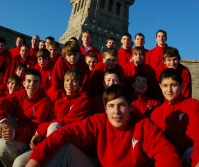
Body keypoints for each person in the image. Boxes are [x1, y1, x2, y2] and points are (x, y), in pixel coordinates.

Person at [26, 84, 182, 167]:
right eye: (111, 106)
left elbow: (166, 154)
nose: (117, 112)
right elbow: (64, 133)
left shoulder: (143, 125)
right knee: (62, 150)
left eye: (121, 105)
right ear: (105, 109)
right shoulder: (98, 121)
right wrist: (35, 160)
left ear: (130, 107)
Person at [13, 69, 90, 167]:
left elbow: (69, 122)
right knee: (19, 163)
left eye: (74, 81)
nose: (69, 84)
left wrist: (40, 131)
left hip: (69, 143)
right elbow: (48, 121)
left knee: (55, 126)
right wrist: (39, 134)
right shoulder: (58, 101)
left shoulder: (83, 101)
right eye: (67, 80)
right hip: (49, 142)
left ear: (79, 84)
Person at [0, 69, 52, 167]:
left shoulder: (45, 102)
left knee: (8, 152)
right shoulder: (19, 94)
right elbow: (2, 103)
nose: (31, 84)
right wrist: (2, 121)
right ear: (23, 83)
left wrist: (15, 133)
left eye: (35, 81)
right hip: (17, 131)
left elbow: (35, 129)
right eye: (29, 81)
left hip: (30, 140)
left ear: (41, 84)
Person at [151, 69, 199, 167]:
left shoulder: (193, 105)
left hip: (188, 155)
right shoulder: (156, 113)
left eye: (173, 85)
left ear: (181, 85)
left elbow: (194, 135)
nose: (169, 90)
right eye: (165, 86)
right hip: (167, 156)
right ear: (160, 86)